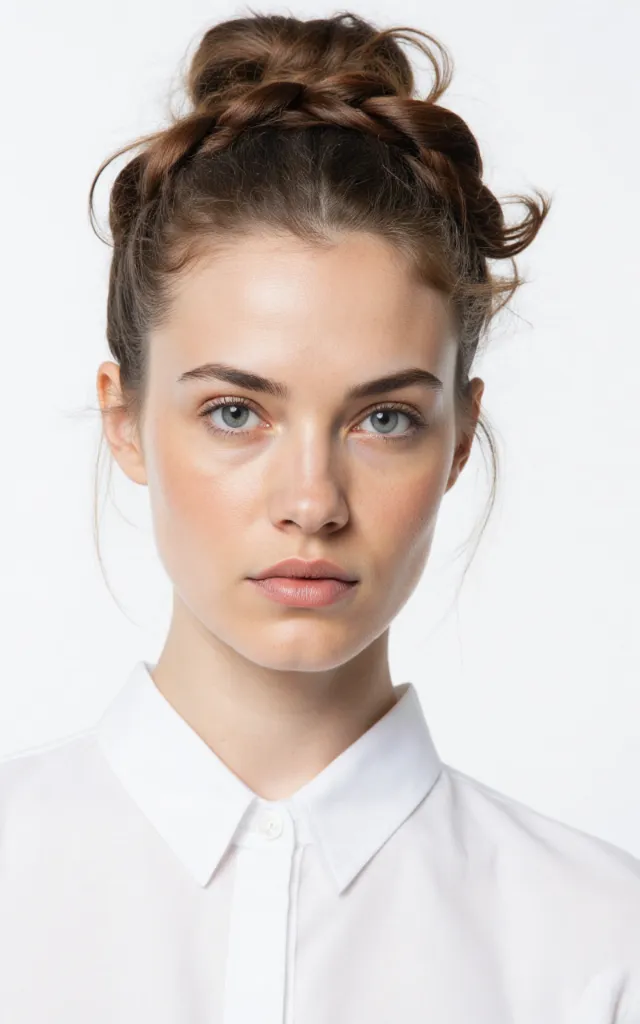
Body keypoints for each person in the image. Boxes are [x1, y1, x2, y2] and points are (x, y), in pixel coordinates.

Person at [0, 10, 638, 1023]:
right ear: (124, 420)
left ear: (460, 438)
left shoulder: (603, 947)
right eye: (235, 412)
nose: (312, 502)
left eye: (383, 417)